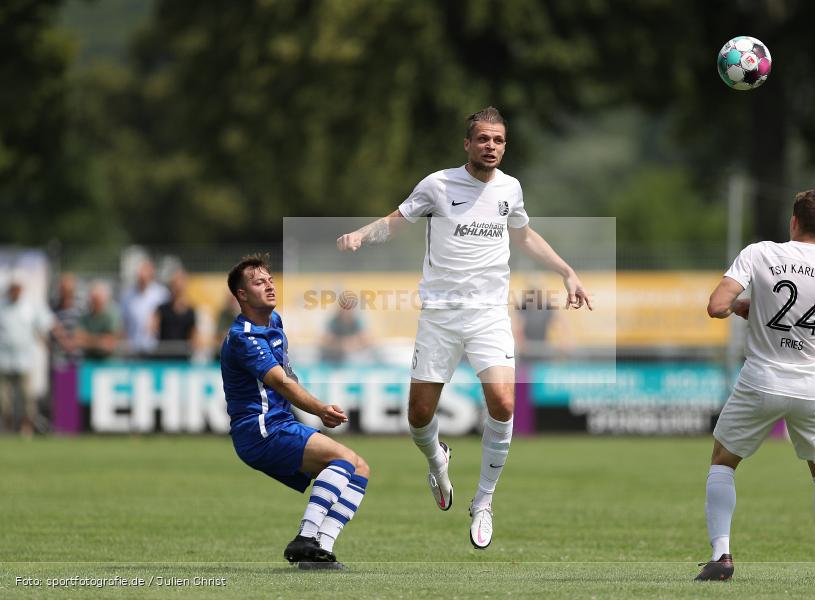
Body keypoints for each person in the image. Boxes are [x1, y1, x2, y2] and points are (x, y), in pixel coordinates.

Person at [337, 107, 591, 549]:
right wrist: (363, 234)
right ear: (467, 144)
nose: (490, 146)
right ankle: (438, 460)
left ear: (504, 146)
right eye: (483, 139)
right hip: (439, 317)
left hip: (489, 315)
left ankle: (484, 501)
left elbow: (524, 235)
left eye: (498, 140)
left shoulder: (511, 188)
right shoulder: (437, 184)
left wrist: (566, 271)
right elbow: (398, 222)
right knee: (418, 417)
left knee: (503, 402)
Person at [695, 190, 815, 582]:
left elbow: (716, 306)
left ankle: (722, 557)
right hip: (811, 386)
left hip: (761, 377)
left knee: (723, 461)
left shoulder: (760, 253)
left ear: (793, 221)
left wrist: (740, 306)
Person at [220, 254, 370, 569]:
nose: (270, 286)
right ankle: (306, 537)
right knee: (342, 460)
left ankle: (319, 551)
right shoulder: (243, 337)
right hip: (261, 431)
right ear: (242, 296)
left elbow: (287, 377)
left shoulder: (274, 322)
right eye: (259, 283)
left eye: (270, 280)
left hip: (278, 425)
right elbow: (282, 383)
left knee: (359, 469)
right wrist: (320, 409)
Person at [0, 277, 56, 435]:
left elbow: (44, 325)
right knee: (4, 400)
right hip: (3, 360)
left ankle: (27, 427)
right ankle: (7, 427)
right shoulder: (2, 306)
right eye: (12, 288)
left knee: (27, 397)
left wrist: (48, 344)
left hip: (24, 360)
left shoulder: (30, 305)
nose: (15, 291)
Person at [121, 259, 169, 357]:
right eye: (140, 272)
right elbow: (124, 322)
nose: (142, 275)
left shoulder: (162, 294)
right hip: (133, 347)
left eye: (145, 272)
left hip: (155, 348)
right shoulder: (127, 295)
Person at [151, 270, 198, 360]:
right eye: (175, 285)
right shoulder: (162, 309)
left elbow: (193, 337)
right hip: (163, 358)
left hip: (182, 359)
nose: (177, 288)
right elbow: (152, 330)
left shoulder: (190, 311)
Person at [78, 282, 121, 361]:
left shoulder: (112, 315)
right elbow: (79, 340)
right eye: (92, 299)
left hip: (108, 363)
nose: (93, 302)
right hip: (89, 362)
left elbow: (110, 343)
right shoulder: (84, 317)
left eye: (96, 300)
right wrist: (100, 341)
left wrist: (89, 340)